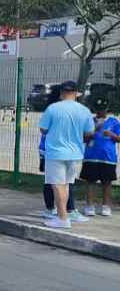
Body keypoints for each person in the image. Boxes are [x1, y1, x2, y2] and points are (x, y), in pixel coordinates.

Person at [39, 81, 95, 229]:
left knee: (57, 185)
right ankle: (65, 215)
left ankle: (62, 218)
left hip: (56, 152)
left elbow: (43, 129)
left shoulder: (52, 108)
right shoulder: (84, 110)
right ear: (76, 93)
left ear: (62, 92)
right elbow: (89, 132)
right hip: (76, 153)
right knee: (67, 185)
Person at [80, 99, 119, 216]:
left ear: (107, 109)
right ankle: (89, 206)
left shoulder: (114, 122)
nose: (100, 112)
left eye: (102, 109)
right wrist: (94, 131)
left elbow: (119, 138)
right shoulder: (90, 121)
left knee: (107, 182)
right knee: (90, 181)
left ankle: (106, 206)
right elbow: (83, 139)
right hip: (91, 157)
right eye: (98, 109)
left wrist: (112, 135)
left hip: (108, 157)